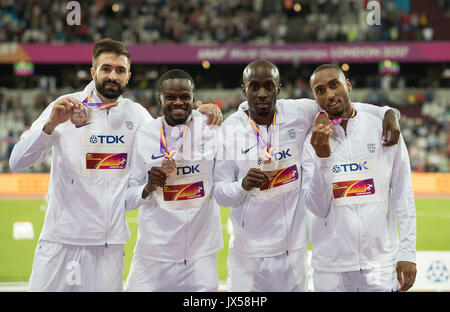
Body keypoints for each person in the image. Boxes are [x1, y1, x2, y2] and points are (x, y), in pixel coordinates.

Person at [8, 38, 222, 292]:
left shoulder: (137, 115)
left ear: (128, 76)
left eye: (120, 70)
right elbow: (17, 161)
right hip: (61, 239)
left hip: (109, 245)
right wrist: (49, 126)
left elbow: (172, 131)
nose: (113, 76)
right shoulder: (65, 106)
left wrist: (201, 113)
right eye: (106, 68)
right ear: (93, 72)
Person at [212, 60, 402, 292]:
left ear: (278, 88)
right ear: (244, 89)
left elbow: (340, 105)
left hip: (294, 253)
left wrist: (387, 112)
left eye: (269, 86)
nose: (262, 93)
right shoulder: (229, 130)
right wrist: (242, 186)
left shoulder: (298, 112)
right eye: (254, 87)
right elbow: (220, 193)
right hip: (247, 255)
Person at [302, 64, 416, 292]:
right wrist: (322, 159)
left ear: (348, 85)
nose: (329, 94)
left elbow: (403, 194)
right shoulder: (311, 142)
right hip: (331, 267)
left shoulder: (384, 130)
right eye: (320, 90)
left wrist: (407, 253)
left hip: (380, 264)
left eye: (334, 85)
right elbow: (317, 208)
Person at [124, 69, 223, 291]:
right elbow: (126, 199)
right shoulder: (145, 134)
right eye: (170, 97)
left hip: (201, 254)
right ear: (159, 98)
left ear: (194, 98)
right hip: (153, 254)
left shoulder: (211, 127)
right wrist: (147, 187)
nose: (178, 102)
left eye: (184, 96)